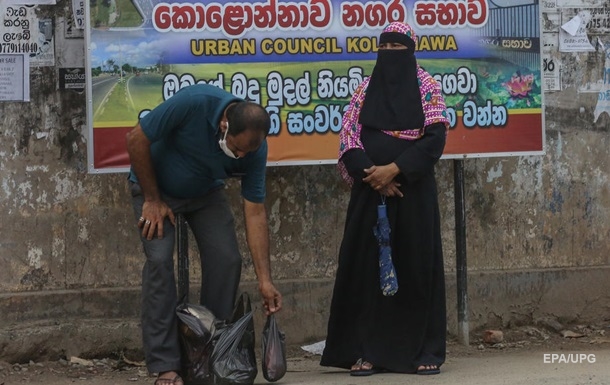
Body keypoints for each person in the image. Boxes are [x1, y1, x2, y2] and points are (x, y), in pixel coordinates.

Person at [125, 83, 283, 385]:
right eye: (236, 149)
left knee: (227, 259)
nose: (239, 157)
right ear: (224, 125)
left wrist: (265, 280)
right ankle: (166, 365)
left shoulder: (253, 148)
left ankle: (207, 353)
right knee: (159, 261)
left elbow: (255, 211)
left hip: (205, 193)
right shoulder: (195, 101)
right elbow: (135, 139)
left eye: (245, 152)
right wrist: (153, 199)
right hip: (155, 189)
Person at [320, 22, 449, 376]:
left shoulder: (427, 87)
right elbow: (349, 139)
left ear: (411, 50)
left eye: (399, 47)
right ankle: (366, 351)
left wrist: (395, 169)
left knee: (415, 267)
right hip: (369, 194)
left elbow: (435, 138)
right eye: (386, 47)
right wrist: (374, 176)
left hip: (413, 193)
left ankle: (423, 351)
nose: (392, 54)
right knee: (365, 272)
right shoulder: (364, 90)